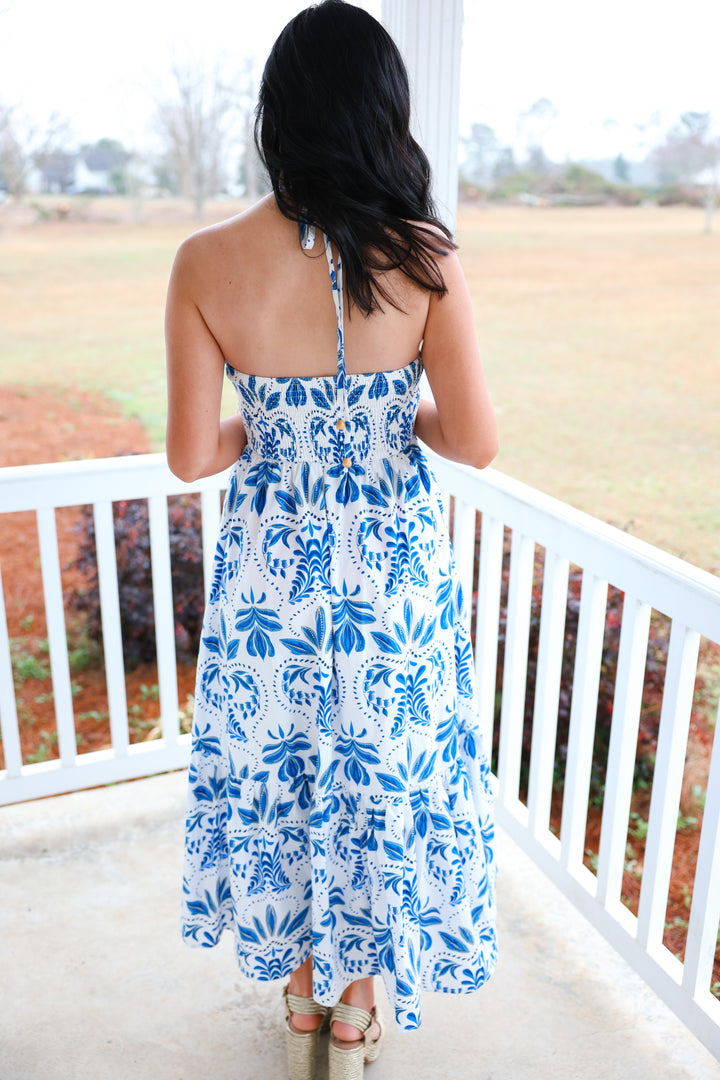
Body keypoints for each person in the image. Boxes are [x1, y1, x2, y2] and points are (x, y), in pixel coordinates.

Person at [165, 3, 498, 1078]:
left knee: (284, 775)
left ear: (278, 118)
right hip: (391, 578)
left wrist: (276, 423)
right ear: (381, 113)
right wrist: (387, 416)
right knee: (377, 781)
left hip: (272, 581)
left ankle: (300, 992)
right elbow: (477, 443)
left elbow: (189, 456)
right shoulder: (424, 257)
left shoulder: (204, 261)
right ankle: (359, 1007)